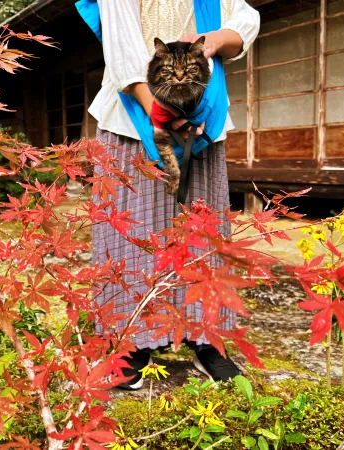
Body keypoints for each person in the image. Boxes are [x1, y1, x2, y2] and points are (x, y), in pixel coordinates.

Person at [89, 0, 260, 389]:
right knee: (132, 236)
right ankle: (131, 341)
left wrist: (211, 42)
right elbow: (123, 45)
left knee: (204, 233)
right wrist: (159, 114)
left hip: (201, 112)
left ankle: (207, 337)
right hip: (132, 117)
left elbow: (245, 20)